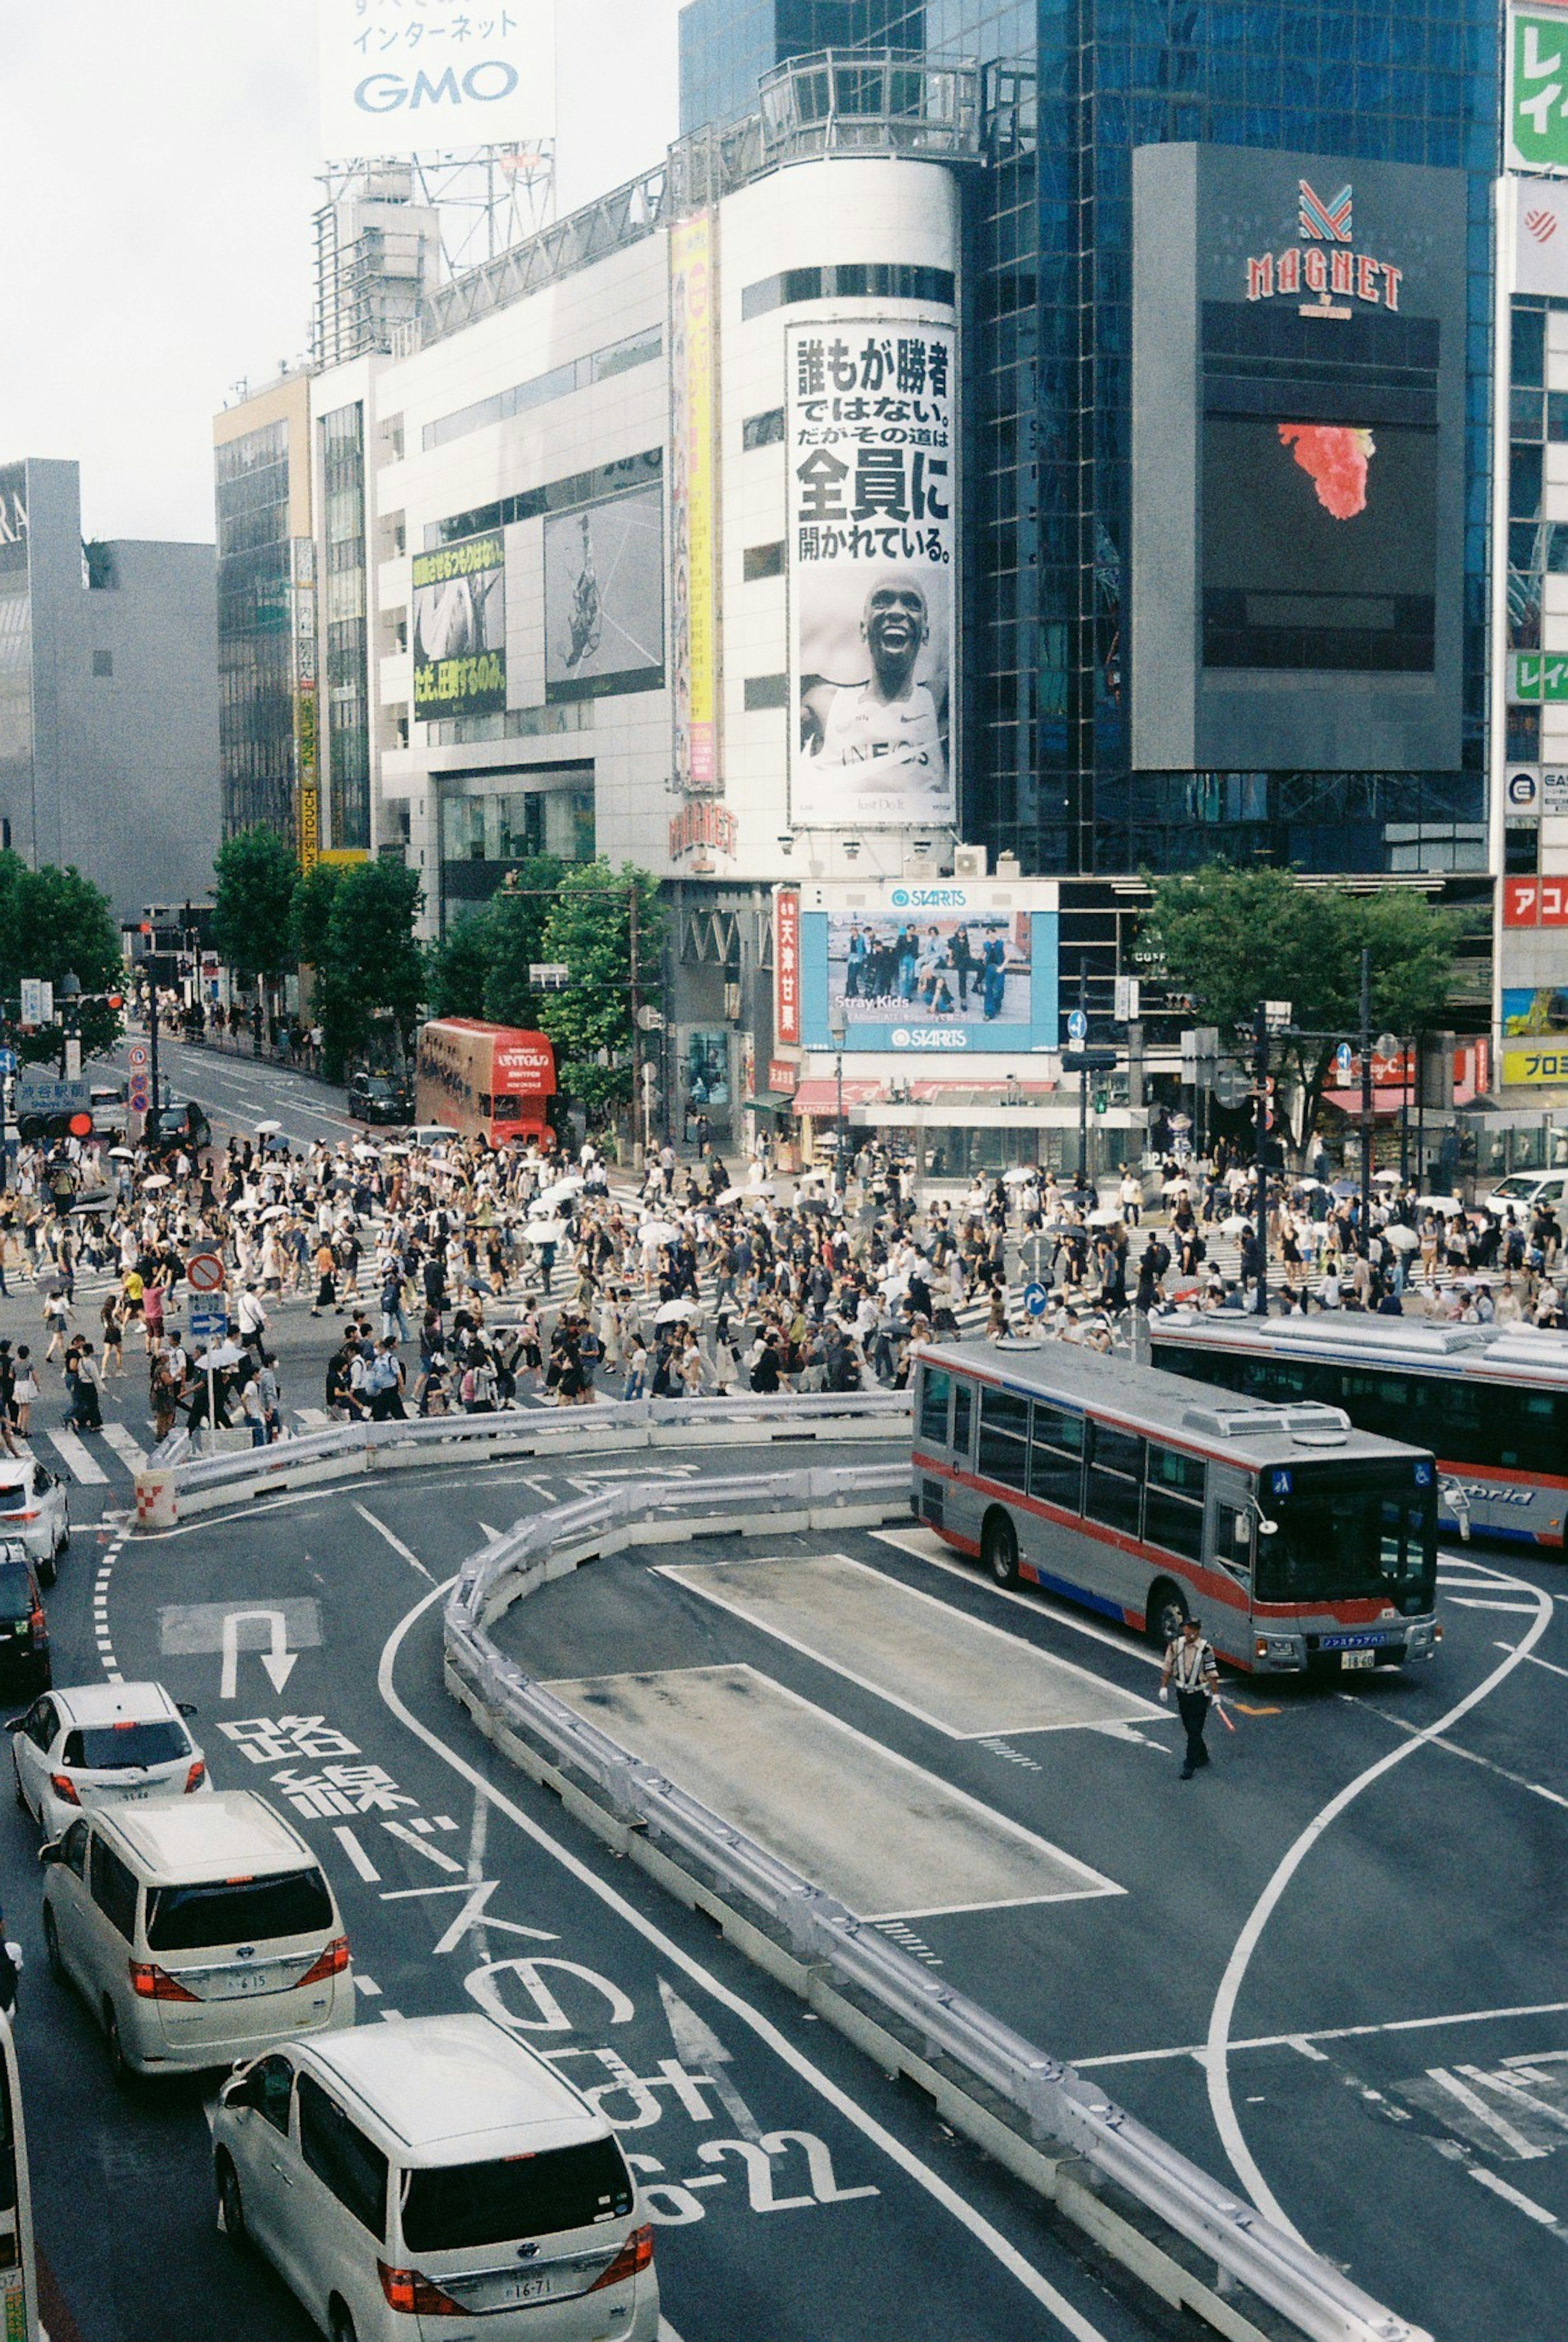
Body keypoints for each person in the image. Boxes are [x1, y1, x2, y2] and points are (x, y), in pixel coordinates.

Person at [1159, 1615, 1221, 1779]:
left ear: (1198, 1631)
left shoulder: (1206, 1649)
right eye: (1188, 1629)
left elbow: (1212, 1673)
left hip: (1199, 1695)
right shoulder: (1175, 1646)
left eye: (1193, 1629)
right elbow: (1168, 1667)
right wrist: (1164, 1686)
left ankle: (1189, 1764)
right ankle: (1203, 1755)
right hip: (1182, 1694)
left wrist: (1215, 1695)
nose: (1190, 1633)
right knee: (1190, 1728)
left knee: (1195, 1730)